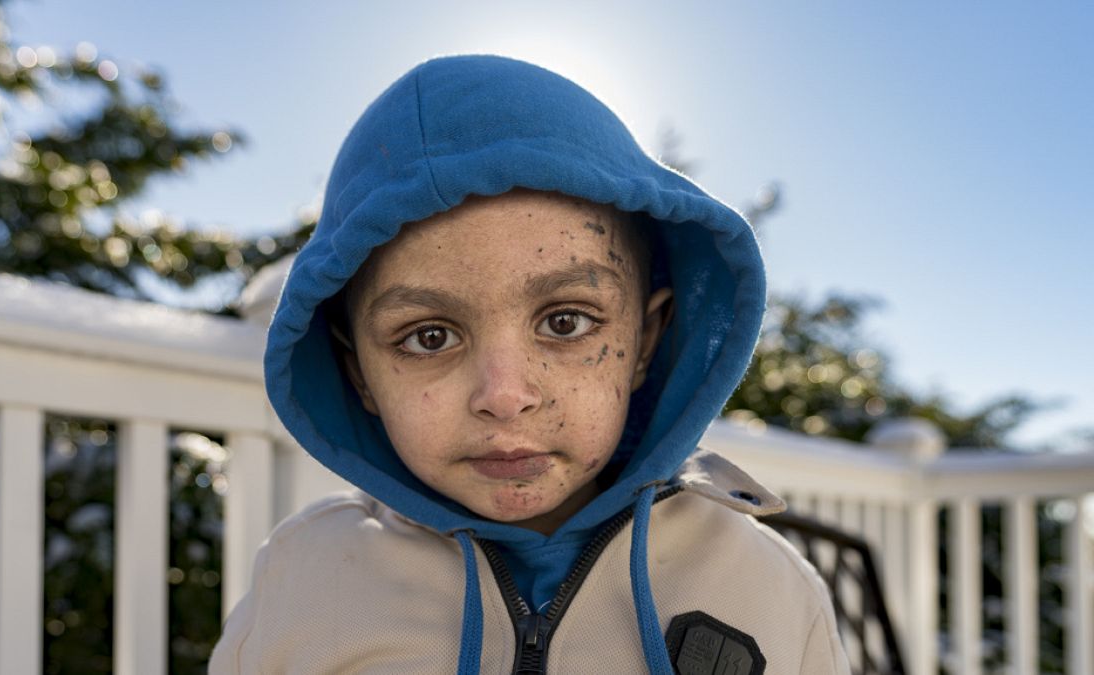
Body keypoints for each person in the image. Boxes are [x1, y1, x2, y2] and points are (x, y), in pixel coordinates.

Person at [210, 54, 849, 674]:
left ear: (645, 341)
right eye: (429, 337)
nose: (504, 395)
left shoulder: (767, 589)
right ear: (359, 375)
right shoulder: (303, 583)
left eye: (565, 322)